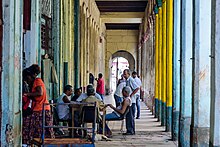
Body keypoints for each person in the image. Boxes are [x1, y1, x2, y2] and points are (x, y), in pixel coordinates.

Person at [24, 64, 54, 140]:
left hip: (40, 109)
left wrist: (26, 94)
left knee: (39, 130)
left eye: (27, 78)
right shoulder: (34, 82)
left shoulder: (37, 81)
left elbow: (39, 93)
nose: (27, 81)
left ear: (32, 76)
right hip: (39, 108)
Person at [123, 69, 139, 135]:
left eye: (125, 74)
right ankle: (129, 130)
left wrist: (131, 94)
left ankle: (131, 130)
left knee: (131, 116)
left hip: (131, 102)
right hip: (128, 101)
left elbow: (137, 88)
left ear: (128, 74)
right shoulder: (127, 81)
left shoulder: (131, 80)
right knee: (128, 116)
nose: (124, 75)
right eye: (124, 74)